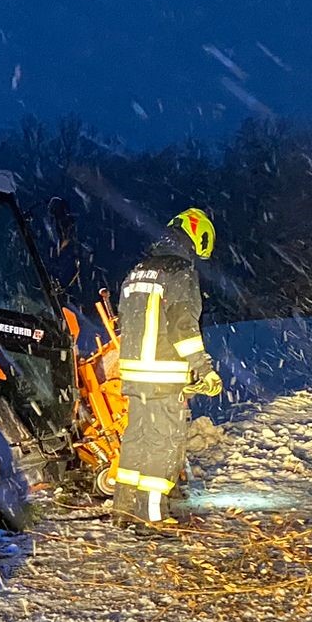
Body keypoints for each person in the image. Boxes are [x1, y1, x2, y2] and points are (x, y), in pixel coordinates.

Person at [111, 208, 223, 528]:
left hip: (134, 375)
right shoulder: (181, 271)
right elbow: (183, 328)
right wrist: (204, 369)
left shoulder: (137, 271)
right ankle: (152, 515)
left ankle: (124, 508)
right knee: (164, 443)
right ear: (196, 237)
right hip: (163, 375)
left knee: (136, 440)